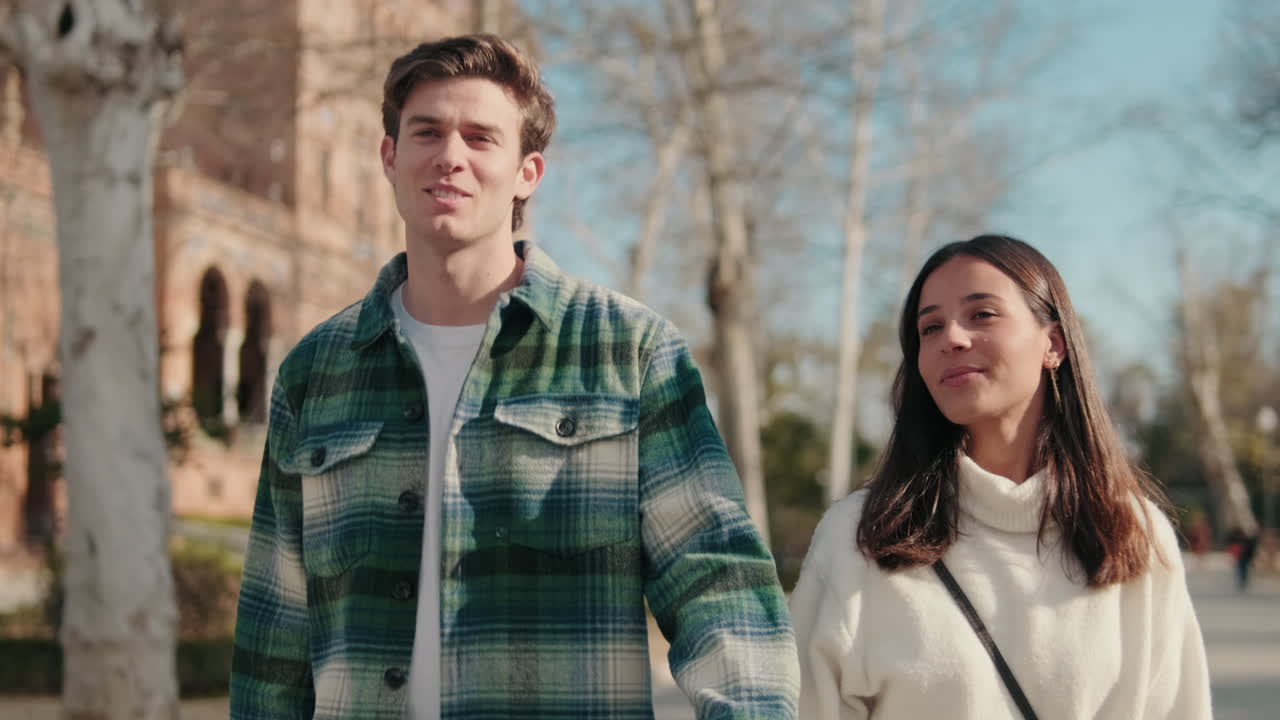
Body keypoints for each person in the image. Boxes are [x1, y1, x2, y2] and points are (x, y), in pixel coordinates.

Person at [229, 34, 798, 719]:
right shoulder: (314, 375)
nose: (451, 157)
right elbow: (273, 643)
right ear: (390, 156)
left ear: (528, 172)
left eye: (480, 137)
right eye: (427, 132)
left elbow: (721, 592)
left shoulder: (629, 354)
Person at [791, 235, 1211, 719]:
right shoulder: (857, 539)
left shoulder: (1135, 534)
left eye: (982, 314)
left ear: (1052, 343)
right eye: (929, 327)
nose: (951, 337)